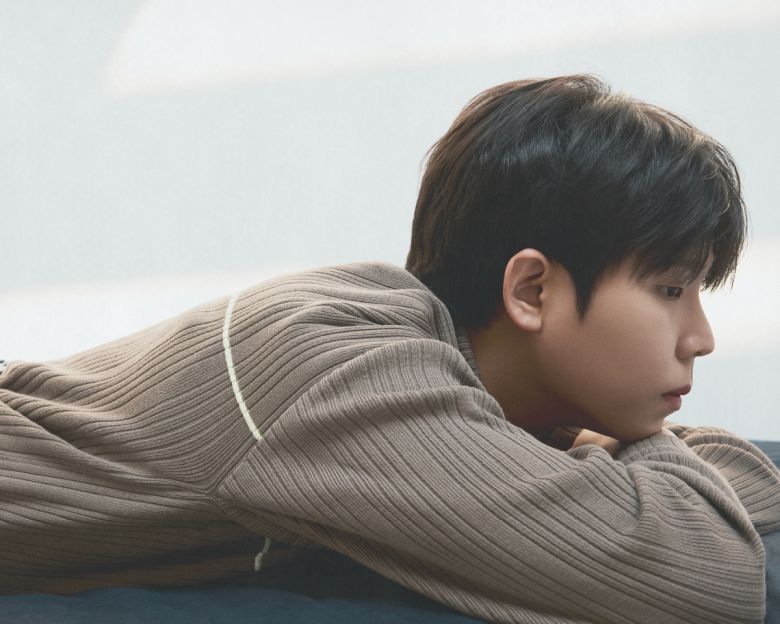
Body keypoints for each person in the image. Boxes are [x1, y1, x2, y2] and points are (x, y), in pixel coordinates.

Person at [0, 73, 778, 624]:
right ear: (532, 291)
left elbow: (753, 486)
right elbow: (709, 577)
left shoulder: (438, 373)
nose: (701, 338)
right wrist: (613, 447)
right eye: (671, 290)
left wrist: (598, 443)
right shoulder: (342, 374)